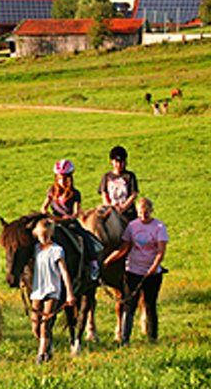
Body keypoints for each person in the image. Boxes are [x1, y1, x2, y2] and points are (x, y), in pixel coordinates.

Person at [103, 196, 169, 345]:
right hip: (133, 270)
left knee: (149, 304)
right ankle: (124, 339)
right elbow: (124, 247)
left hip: (152, 273)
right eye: (140, 213)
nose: (143, 216)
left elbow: (160, 251)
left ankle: (153, 338)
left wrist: (154, 267)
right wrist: (108, 260)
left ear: (151, 211)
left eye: (146, 213)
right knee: (129, 304)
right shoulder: (132, 226)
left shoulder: (159, 227)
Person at [41, 159, 100, 281]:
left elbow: (75, 212)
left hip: (69, 224)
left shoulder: (75, 193)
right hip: (54, 223)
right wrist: (48, 215)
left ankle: (93, 263)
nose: (61, 181)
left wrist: (68, 218)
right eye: (59, 178)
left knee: (85, 237)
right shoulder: (52, 191)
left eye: (64, 178)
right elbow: (44, 207)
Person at [28, 218, 74, 364]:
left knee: (45, 324)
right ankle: (48, 345)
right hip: (37, 291)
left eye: (47, 235)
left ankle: (41, 355)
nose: (44, 238)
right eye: (42, 235)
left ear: (52, 234)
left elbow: (64, 272)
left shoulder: (57, 250)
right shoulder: (35, 249)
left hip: (52, 290)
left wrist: (69, 293)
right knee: (35, 325)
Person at [98, 146, 139, 224]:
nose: (119, 165)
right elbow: (104, 194)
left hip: (128, 213)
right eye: (116, 162)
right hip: (111, 212)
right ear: (112, 162)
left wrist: (123, 207)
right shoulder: (107, 177)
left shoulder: (130, 176)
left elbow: (133, 194)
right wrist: (110, 207)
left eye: (121, 162)